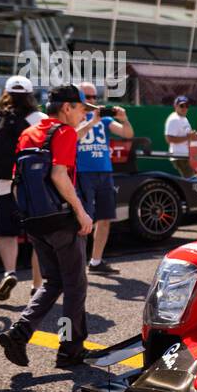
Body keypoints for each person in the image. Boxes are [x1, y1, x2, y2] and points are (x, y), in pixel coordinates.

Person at [0, 85, 96, 369]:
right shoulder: (63, 133)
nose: (81, 114)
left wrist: (28, 216)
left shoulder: (29, 134)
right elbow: (59, 175)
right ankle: (69, 349)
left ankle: (19, 333)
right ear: (67, 108)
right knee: (75, 287)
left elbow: (17, 181)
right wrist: (81, 213)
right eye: (80, 109)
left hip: (35, 221)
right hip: (62, 220)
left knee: (54, 282)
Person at [0, 75, 44, 301]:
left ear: (5, 93)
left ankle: (9, 272)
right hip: (31, 186)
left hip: (2, 184)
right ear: (30, 95)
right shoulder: (39, 118)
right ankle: (37, 285)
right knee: (37, 236)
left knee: (7, 234)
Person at [75, 82, 133, 274]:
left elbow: (127, 134)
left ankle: (96, 261)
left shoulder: (105, 120)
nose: (92, 100)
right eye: (87, 97)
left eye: (94, 97)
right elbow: (71, 138)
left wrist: (124, 119)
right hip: (82, 173)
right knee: (83, 220)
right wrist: (90, 122)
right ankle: (76, 262)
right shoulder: (74, 117)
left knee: (105, 217)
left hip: (104, 172)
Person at [164, 96, 197, 176]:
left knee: (192, 180)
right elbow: (169, 139)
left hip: (186, 155)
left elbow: (189, 137)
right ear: (175, 106)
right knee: (191, 181)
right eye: (181, 106)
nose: (184, 108)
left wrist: (195, 136)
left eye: (187, 106)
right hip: (179, 156)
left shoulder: (184, 119)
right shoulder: (174, 119)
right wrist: (188, 137)